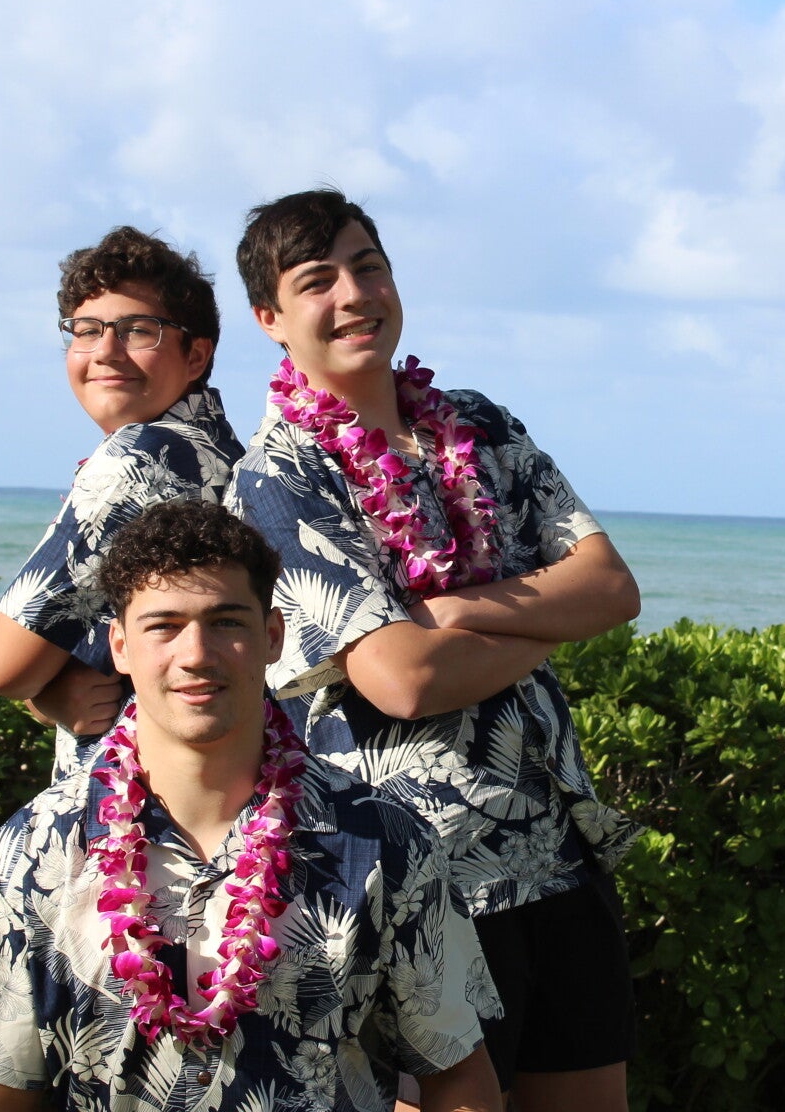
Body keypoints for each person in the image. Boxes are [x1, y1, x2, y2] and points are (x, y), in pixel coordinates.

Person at [224, 189, 642, 1111]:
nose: (353, 294)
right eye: (317, 280)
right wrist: (542, 621)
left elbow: (613, 589)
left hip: (559, 848)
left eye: (368, 266)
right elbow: (403, 679)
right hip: (417, 881)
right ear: (269, 319)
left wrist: (451, 610)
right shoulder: (280, 478)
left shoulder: (480, 425)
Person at [0, 500, 503, 1111]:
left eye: (226, 622)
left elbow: (458, 1077)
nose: (196, 654)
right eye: (163, 626)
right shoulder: (34, 850)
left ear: (272, 637)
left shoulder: (381, 840)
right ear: (120, 646)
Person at [0, 226, 245, 777]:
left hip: (135, 796)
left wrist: (41, 695)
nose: (104, 351)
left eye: (137, 330)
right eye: (86, 330)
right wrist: (50, 692)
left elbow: (0, 669)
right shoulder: (222, 452)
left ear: (196, 355)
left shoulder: (139, 459)